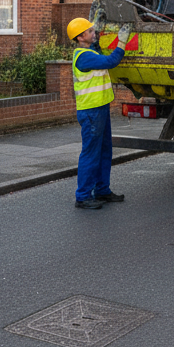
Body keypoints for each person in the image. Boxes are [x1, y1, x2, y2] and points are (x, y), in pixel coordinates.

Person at [68, 17, 133, 210]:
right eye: (89, 31)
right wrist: (122, 42)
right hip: (91, 112)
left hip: (100, 108)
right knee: (91, 153)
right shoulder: (84, 57)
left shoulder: (89, 51)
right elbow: (111, 61)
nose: (93, 32)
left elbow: (98, 47)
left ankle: (102, 190)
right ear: (80, 38)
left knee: (105, 151)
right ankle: (83, 196)